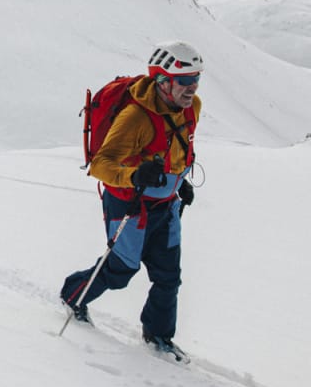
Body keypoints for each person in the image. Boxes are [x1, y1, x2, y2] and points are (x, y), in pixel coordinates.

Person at [60, 42, 203, 360]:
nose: (191, 87)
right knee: (121, 270)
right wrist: (134, 176)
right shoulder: (135, 117)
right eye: (184, 80)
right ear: (163, 81)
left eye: (195, 79)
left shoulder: (193, 108)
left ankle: (159, 337)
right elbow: (99, 164)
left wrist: (181, 182)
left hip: (166, 205)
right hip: (129, 204)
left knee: (168, 277)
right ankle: (72, 295)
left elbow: (177, 149)